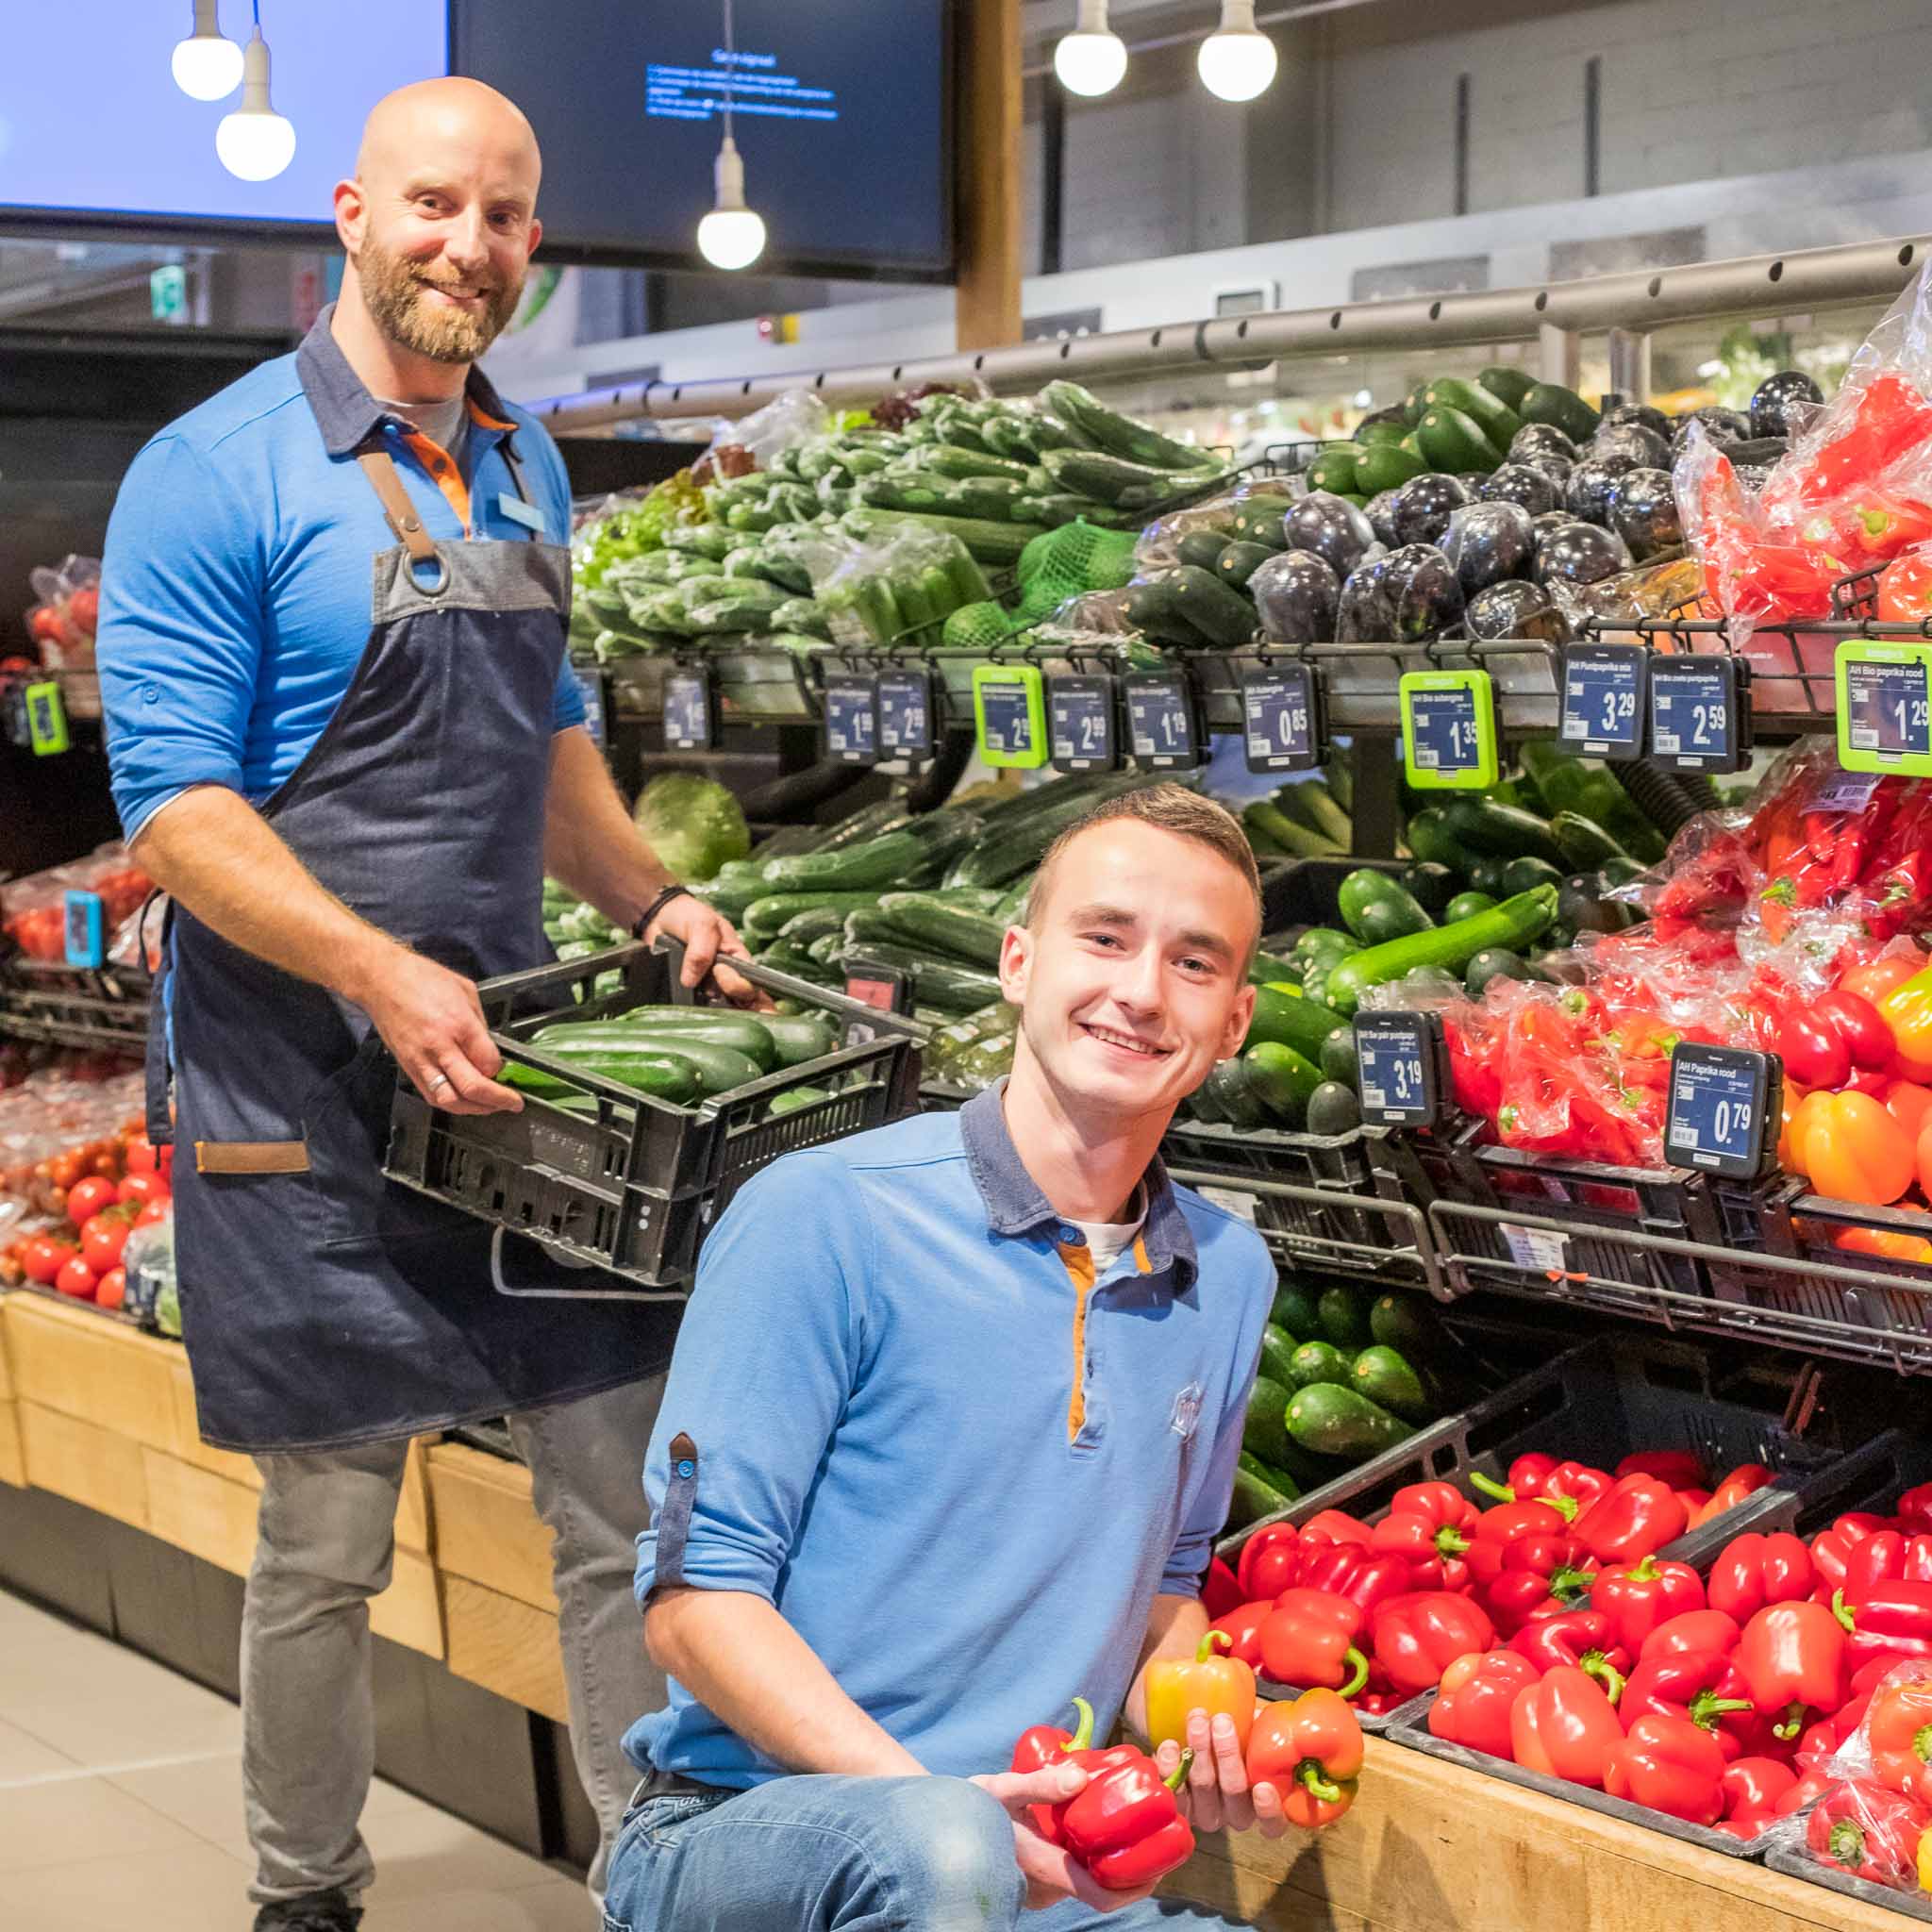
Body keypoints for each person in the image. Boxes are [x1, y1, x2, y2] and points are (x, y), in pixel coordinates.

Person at [96, 78, 750, 1932]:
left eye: (508, 215)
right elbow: (174, 805)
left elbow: (545, 736)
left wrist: (658, 895)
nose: (471, 244)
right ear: (352, 213)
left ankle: (661, 1878)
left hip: (511, 1077)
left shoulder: (529, 465)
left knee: (622, 1514)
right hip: (294, 1088)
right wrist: (374, 967)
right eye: (436, 205)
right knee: (320, 1544)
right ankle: (306, 1895)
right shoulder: (211, 473)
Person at [604, 784, 1287, 1930]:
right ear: (1017, 960)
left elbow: (1164, 1592)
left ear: (1232, 1023)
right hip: (758, 1829)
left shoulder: (1228, 1274)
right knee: (938, 1848)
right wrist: (942, 1806)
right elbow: (691, 1599)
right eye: (1104, 938)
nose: (1138, 989)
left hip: (1035, 1870)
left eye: (1193, 962)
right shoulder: (823, 1217)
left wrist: (1200, 1731)